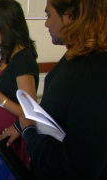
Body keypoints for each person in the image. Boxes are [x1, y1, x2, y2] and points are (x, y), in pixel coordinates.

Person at [15, 0, 107, 179]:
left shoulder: (96, 71)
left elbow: (77, 166)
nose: (46, 23)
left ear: (69, 17)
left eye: (49, 15)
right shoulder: (76, 56)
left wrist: (30, 133)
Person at [0, 0, 39, 166]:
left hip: (12, 138)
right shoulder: (7, 52)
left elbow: (29, 112)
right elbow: (3, 89)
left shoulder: (23, 60)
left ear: (5, 27)